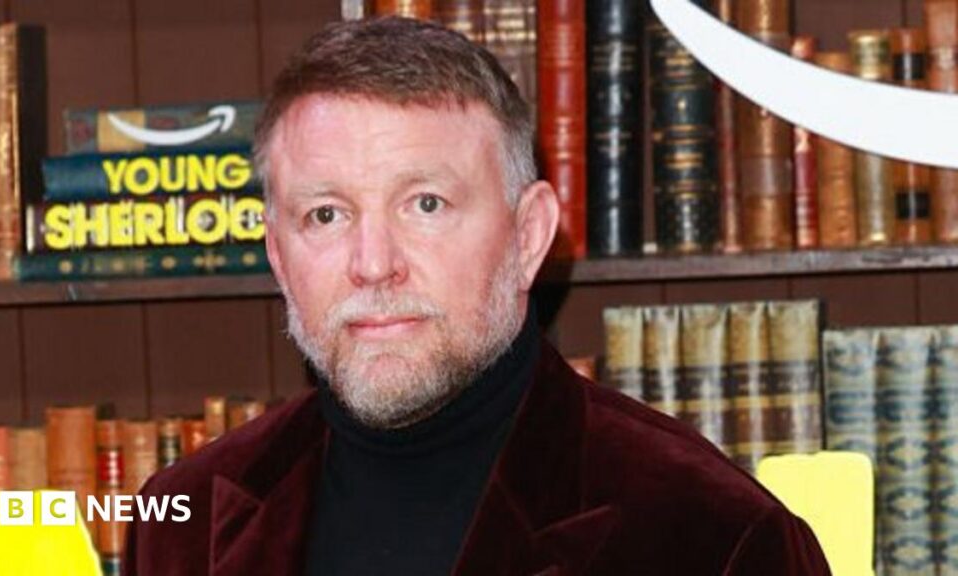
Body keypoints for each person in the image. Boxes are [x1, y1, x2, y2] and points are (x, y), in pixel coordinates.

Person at [124, 16, 831, 576]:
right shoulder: (182, 521)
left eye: (425, 204)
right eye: (326, 215)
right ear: (279, 256)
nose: (373, 265)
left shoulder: (711, 536)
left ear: (528, 238)